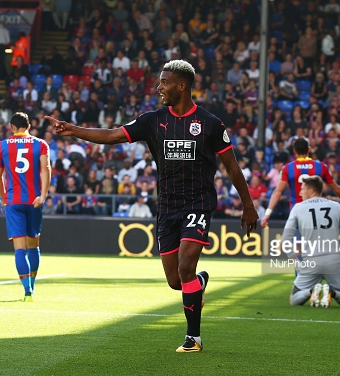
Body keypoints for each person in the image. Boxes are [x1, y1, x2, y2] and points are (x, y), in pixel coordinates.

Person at [47, 60, 257, 353]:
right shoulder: (152, 120)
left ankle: (193, 338)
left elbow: (232, 167)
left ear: (182, 86)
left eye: (165, 83)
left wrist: (248, 206)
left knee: (185, 266)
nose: (159, 88)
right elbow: (111, 136)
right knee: (176, 281)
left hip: (198, 203)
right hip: (167, 207)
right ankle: (199, 283)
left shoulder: (210, 124)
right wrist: (72, 130)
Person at [0, 112, 51, 302]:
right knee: (34, 245)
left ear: (12, 127)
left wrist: (4, 198)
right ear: (29, 126)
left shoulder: (2, 145)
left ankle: (27, 291)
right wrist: (42, 195)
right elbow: (46, 169)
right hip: (34, 201)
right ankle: (32, 286)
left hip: (14, 202)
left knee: (20, 249)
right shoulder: (41, 144)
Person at [283, 176, 340, 308]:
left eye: (302, 190)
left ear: (311, 191)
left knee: (293, 299)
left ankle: (311, 291)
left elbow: (285, 239)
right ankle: (333, 293)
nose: (300, 193)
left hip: (310, 261)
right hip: (333, 261)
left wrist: (296, 263)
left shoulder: (298, 208)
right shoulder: (336, 206)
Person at [261, 138, 340, 227]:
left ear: (294, 151)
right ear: (309, 150)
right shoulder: (321, 167)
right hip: (317, 213)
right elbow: (336, 188)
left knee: (297, 241)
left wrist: (267, 214)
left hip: (297, 212)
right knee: (316, 241)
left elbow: (278, 192)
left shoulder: (288, 168)